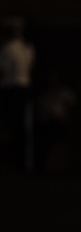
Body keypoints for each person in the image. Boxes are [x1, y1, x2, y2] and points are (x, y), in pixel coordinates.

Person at [0, 17, 36, 173]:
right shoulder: (27, 48)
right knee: (20, 127)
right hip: (23, 89)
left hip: (12, 90)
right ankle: (20, 162)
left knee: (12, 126)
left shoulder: (10, 48)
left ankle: (14, 162)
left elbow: (3, 70)